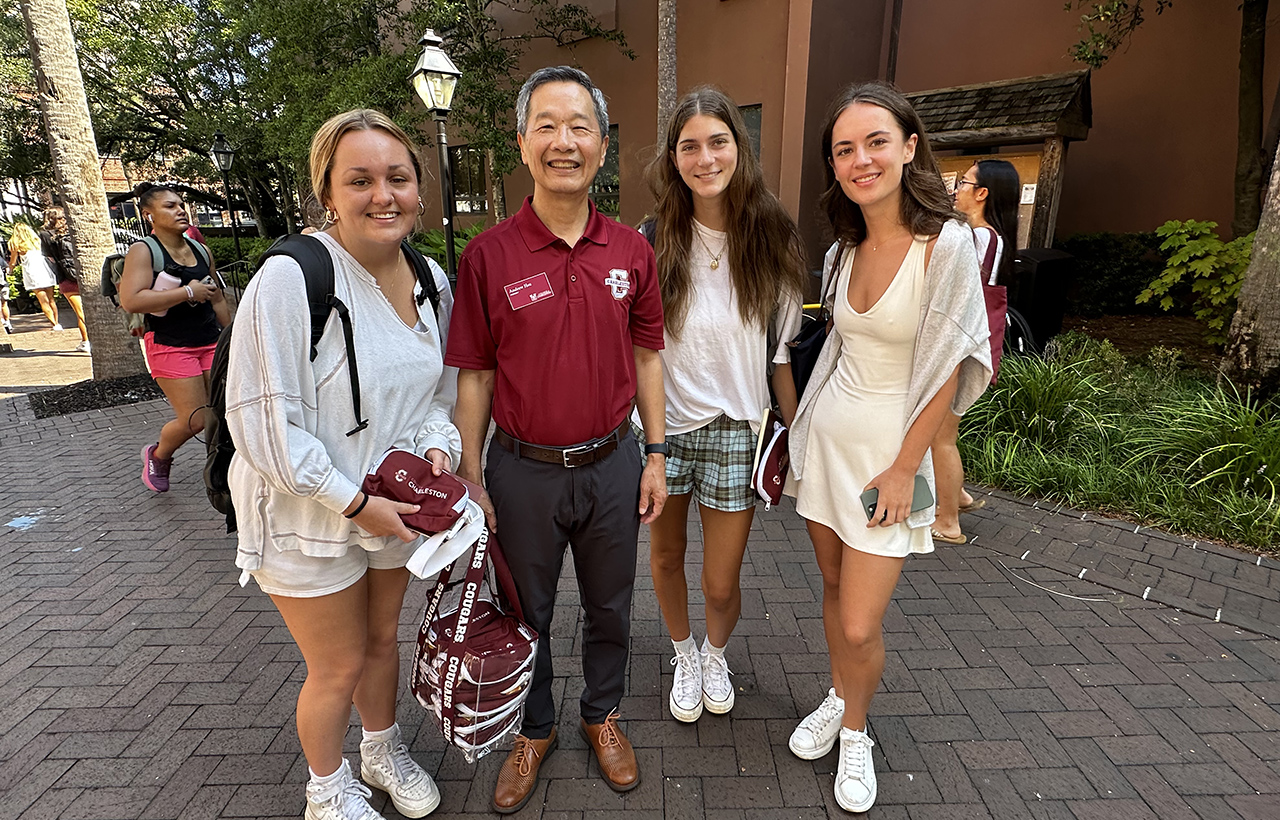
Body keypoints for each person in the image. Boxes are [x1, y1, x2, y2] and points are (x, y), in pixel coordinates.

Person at [445, 66, 667, 813]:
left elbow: (647, 357)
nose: (563, 141)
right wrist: (473, 477)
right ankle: (533, 729)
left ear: (602, 147)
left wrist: (657, 453)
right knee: (523, 612)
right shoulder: (488, 256)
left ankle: (601, 716)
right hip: (521, 471)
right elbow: (473, 376)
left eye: (579, 127)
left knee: (611, 608)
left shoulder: (632, 254)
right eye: (546, 124)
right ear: (522, 143)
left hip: (612, 464)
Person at [226, 109, 457, 820]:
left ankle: (381, 752)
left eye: (397, 178)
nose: (382, 195)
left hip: (390, 501)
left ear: (419, 190)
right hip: (308, 513)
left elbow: (434, 392)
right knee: (337, 665)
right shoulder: (293, 279)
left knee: (383, 640)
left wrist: (438, 447)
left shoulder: (430, 279)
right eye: (360, 180)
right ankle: (326, 792)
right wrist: (355, 502)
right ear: (327, 191)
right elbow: (263, 425)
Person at [785, 81, 991, 813]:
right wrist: (799, 435)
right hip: (831, 444)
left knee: (859, 620)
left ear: (909, 147)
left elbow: (955, 359)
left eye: (876, 142)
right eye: (845, 149)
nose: (861, 159)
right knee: (835, 593)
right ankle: (840, 697)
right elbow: (835, 352)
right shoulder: (845, 249)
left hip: (888, 459)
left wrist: (908, 468)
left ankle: (857, 733)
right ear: (834, 166)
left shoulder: (948, 246)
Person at [638, 87, 806, 723]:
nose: (704, 158)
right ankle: (684, 652)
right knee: (664, 556)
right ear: (674, 158)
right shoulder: (653, 240)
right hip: (664, 431)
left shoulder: (772, 238)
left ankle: (715, 651)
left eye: (717, 142)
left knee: (721, 580)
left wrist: (796, 433)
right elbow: (636, 348)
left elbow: (781, 354)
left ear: (739, 147)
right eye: (689, 146)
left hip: (738, 429)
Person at [930, 159, 1021, 545]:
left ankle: (948, 521)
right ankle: (960, 495)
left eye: (963, 182)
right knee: (945, 431)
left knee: (940, 436)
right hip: (978, 346)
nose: (956, 189)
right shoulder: (993, 237)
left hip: (964, 348)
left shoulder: (977, 238)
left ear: (982, 193)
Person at [119, 183, 230, 493]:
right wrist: (187, 292)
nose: (180, 209)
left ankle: (224, 469)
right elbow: (132, 300)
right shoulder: (144, 251)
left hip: (210, 340)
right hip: (170, 344)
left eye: (181, 204)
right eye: (170, 206)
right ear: (148, 214)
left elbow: (218, 296)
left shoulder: (199, 249)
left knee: (221, 410)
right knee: (196, 418)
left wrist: (233, 335)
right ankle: (158, 455)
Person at [40, 207, 90, 352]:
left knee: (80, 313)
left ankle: (86, 342)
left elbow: (49, 257)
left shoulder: (45, 234)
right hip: (84, 274)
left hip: (66, 277)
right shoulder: (73, 230)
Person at [7, 222, 61, 331]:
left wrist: (10, 270)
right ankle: (57, 323)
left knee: (43, 300)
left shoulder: (17, 244)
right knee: (51, 299)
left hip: (32, 273)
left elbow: (13, 262)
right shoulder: (37, 241)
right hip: (45, 270)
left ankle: (54, 324)